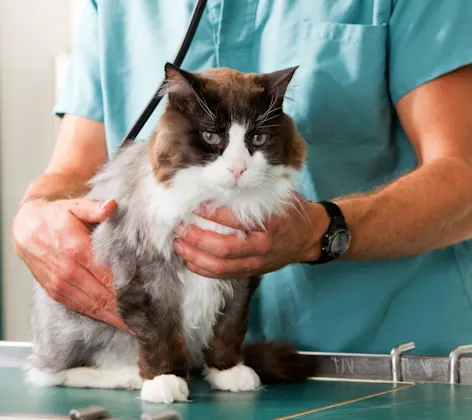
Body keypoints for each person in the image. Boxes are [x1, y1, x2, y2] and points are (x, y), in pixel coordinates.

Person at [12, 0, 472, 355]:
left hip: (379, 366)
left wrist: (319, 231)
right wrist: (33, 218)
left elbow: (463, 175)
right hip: (181, 374)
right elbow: (73, 171)